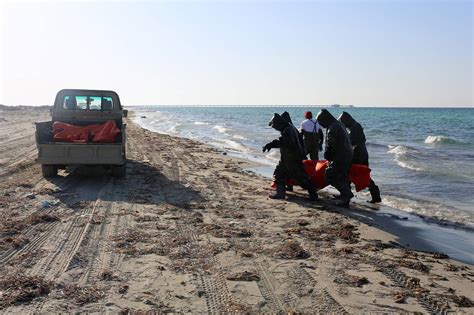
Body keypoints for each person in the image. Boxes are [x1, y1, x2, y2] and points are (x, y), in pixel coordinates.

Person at [263, 112, 318, 201]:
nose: (275, 128)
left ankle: (313, 194)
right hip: (288, 158)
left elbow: (285, 142)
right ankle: (281, 193)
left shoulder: (288, 130)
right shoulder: (289, 128)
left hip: (291, 158)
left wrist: (271, 144)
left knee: (301, 178)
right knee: (280, 174)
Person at [338, 111, 381, 203]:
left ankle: (375, 196)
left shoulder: (355, 127)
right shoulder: (354, 126)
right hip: (359, 153)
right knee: (350, 174)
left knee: (361, 175)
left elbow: (354, 141)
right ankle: (345, 193)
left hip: (359, 154)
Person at [316, 109, 353, 207]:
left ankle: (346, 196)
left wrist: (327, 155)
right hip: (347, 154)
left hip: (340, 156)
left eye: (320, 122)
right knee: (343, 176)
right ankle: (344, 195)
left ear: (325, 119)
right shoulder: (339, 124)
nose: (320, 124)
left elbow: (330, 144)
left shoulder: (332, 127)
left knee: (330, 175)